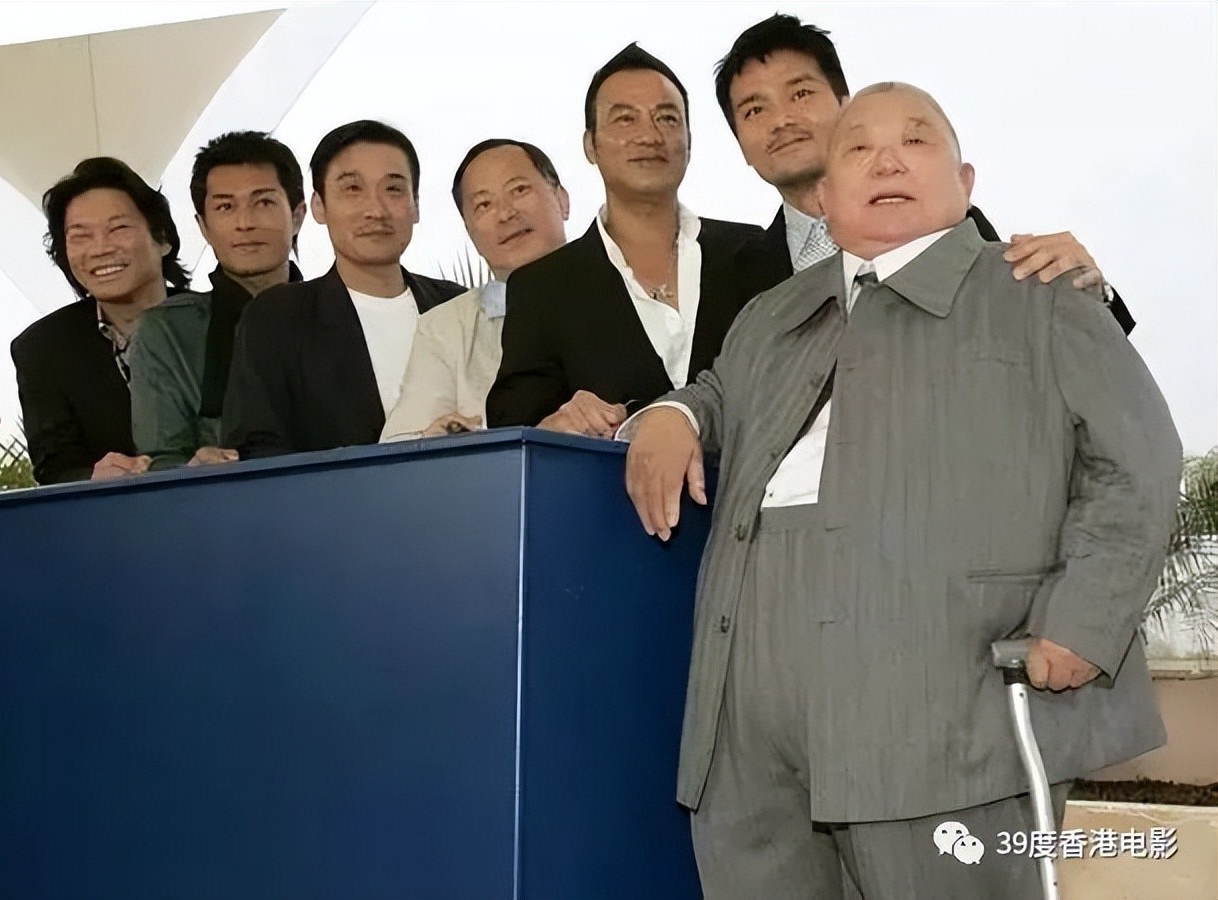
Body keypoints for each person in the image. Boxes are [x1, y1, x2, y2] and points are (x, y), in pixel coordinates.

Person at [623, 83, 1181, 899]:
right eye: (858, 148)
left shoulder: (1039, 291)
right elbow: (716, 393)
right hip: (748, 716)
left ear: (966, 182)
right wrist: (673, 413)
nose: (886, 160)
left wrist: (1084, 621)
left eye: (916, 141)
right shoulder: (770, 316)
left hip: (945, 706)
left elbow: (1136, 459)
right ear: (824, 196)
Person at [715, 13, 1136, 333]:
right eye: (754, 110)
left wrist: (1086, 290)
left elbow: (1070, 345)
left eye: (801, 93)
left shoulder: (951, 221)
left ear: (846, 104)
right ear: (739, 143)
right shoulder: (731, 276)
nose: (782, 120)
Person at [485, 44, 760, 437]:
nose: (649, 135)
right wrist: (556, 424)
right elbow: (514, 427)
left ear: (689, 140)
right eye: (625, 119)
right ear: (590, 145)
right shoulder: (540, 288)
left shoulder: (755, 253)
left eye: (667, 118)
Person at [222, 120, 464, 459]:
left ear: (416, 205)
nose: (375, 210)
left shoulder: (457, 306)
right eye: (352, 188)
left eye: (393, 189)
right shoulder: (277, 317)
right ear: (318, 206)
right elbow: (257, 448)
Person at [129, 131, 306, 469]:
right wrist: (191, 470)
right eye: (225, 207)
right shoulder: (167, 331)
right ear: (203, 227)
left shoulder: (340, 312)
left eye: (263, 203)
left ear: (297, 215)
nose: (245, 223)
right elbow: (159, 458)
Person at [11, 157, 190, 485]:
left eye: (118, 228)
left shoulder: (224, 321)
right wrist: (93, 476)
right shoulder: (42, 348)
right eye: (80, 236)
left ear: (163, 238)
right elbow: (55, 467)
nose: (100, 249)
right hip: (111, 512)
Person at [380, 139, 569, 440]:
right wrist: (436, 441)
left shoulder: (624, 285)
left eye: (519, 190)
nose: (506, 214)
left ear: (562, 200)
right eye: (484, 205)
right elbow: (398, 446)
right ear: (470, 231)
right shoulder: (445, 328)